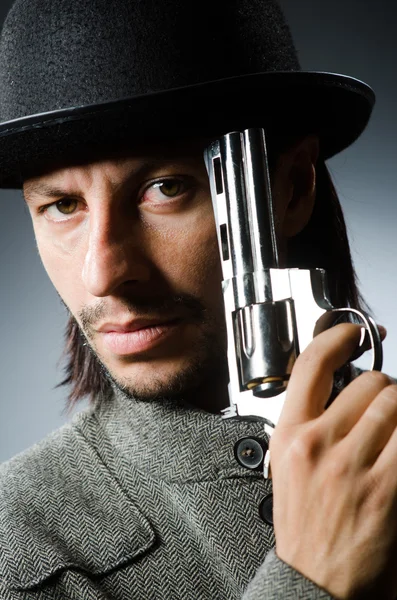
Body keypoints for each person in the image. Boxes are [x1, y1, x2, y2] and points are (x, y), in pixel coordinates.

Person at [0, 0, 396, 598]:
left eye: (165, 188)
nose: (104, 272)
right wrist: (311, 579)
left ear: (291, 189)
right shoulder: (18, 545)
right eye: (63, 205)